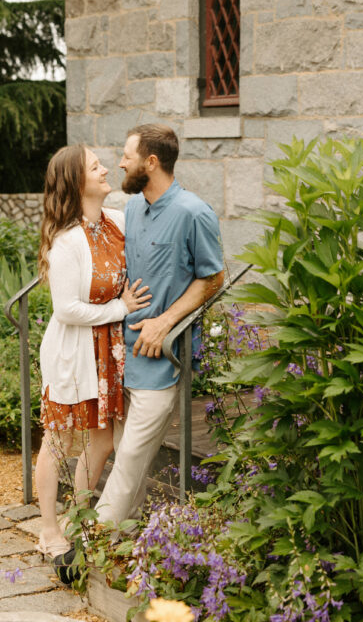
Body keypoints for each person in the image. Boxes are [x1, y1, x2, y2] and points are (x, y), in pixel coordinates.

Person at [95, 123, 224, 528]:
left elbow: (214, 277)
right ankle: (120, 538)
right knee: (124, 453)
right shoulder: (132, 208)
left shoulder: (194, 212)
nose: (120, 163)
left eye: (127, 156)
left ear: (151, 162)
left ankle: (89, 540)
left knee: (131, 454)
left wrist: (166, 323)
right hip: (123, 353)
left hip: (163, 357)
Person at [36, 144, 151, 579]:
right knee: (59, 440)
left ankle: (77, 520)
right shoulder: (66, 241)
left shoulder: (117, 223)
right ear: (75, 182)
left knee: (102, 442)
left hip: (111, 353)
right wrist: (121, 309)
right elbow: (67, 309)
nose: (105, 170)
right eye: (95, 166)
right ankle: (48, 529)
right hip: (76, 352)